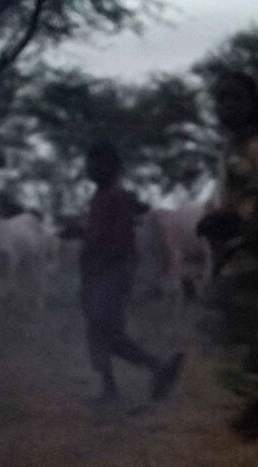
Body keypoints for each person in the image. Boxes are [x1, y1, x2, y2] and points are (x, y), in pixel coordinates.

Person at [197, 70, 258, 441]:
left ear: (252, 104)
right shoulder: (234, 147)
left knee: (244, 327)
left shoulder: (256, 148)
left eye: (235, 98)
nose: (226, 106)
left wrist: (229, 222)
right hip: (236, 249)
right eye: (220, 99)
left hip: (254, 252)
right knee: (240, 327)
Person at [79, 140, 181, 404]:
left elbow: (121, 243)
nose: (91, 168)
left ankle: (157, 368)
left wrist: (98, 264)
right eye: (89, 162)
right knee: (97, 332)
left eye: (97, 162)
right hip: (98, 274)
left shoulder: (116, 197)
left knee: (106, 331)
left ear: (112, 167)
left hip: (111, 273)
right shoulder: (100, 198)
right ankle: (110, 389)